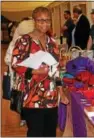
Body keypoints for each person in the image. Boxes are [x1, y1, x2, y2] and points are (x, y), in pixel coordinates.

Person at [11, 6, 69, 137]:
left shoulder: (52, 42)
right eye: (41, 20)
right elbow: (15, 64)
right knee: (36, 133)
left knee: (50, 133)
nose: (45, 24)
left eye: (47, 20)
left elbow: (56, 70)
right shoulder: (24, 41)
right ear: (34, 21)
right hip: (32, 97)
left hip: (52, 98)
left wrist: (61, 92)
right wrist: (35, 71)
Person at [4, 17, 34, 127]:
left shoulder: (16, 43)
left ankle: (25, 117)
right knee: (23, 96)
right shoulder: (16, 43)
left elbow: (7, 59)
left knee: (27, 96)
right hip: (21, 77)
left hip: (30, 76)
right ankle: (24, 117)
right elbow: (8, 60)